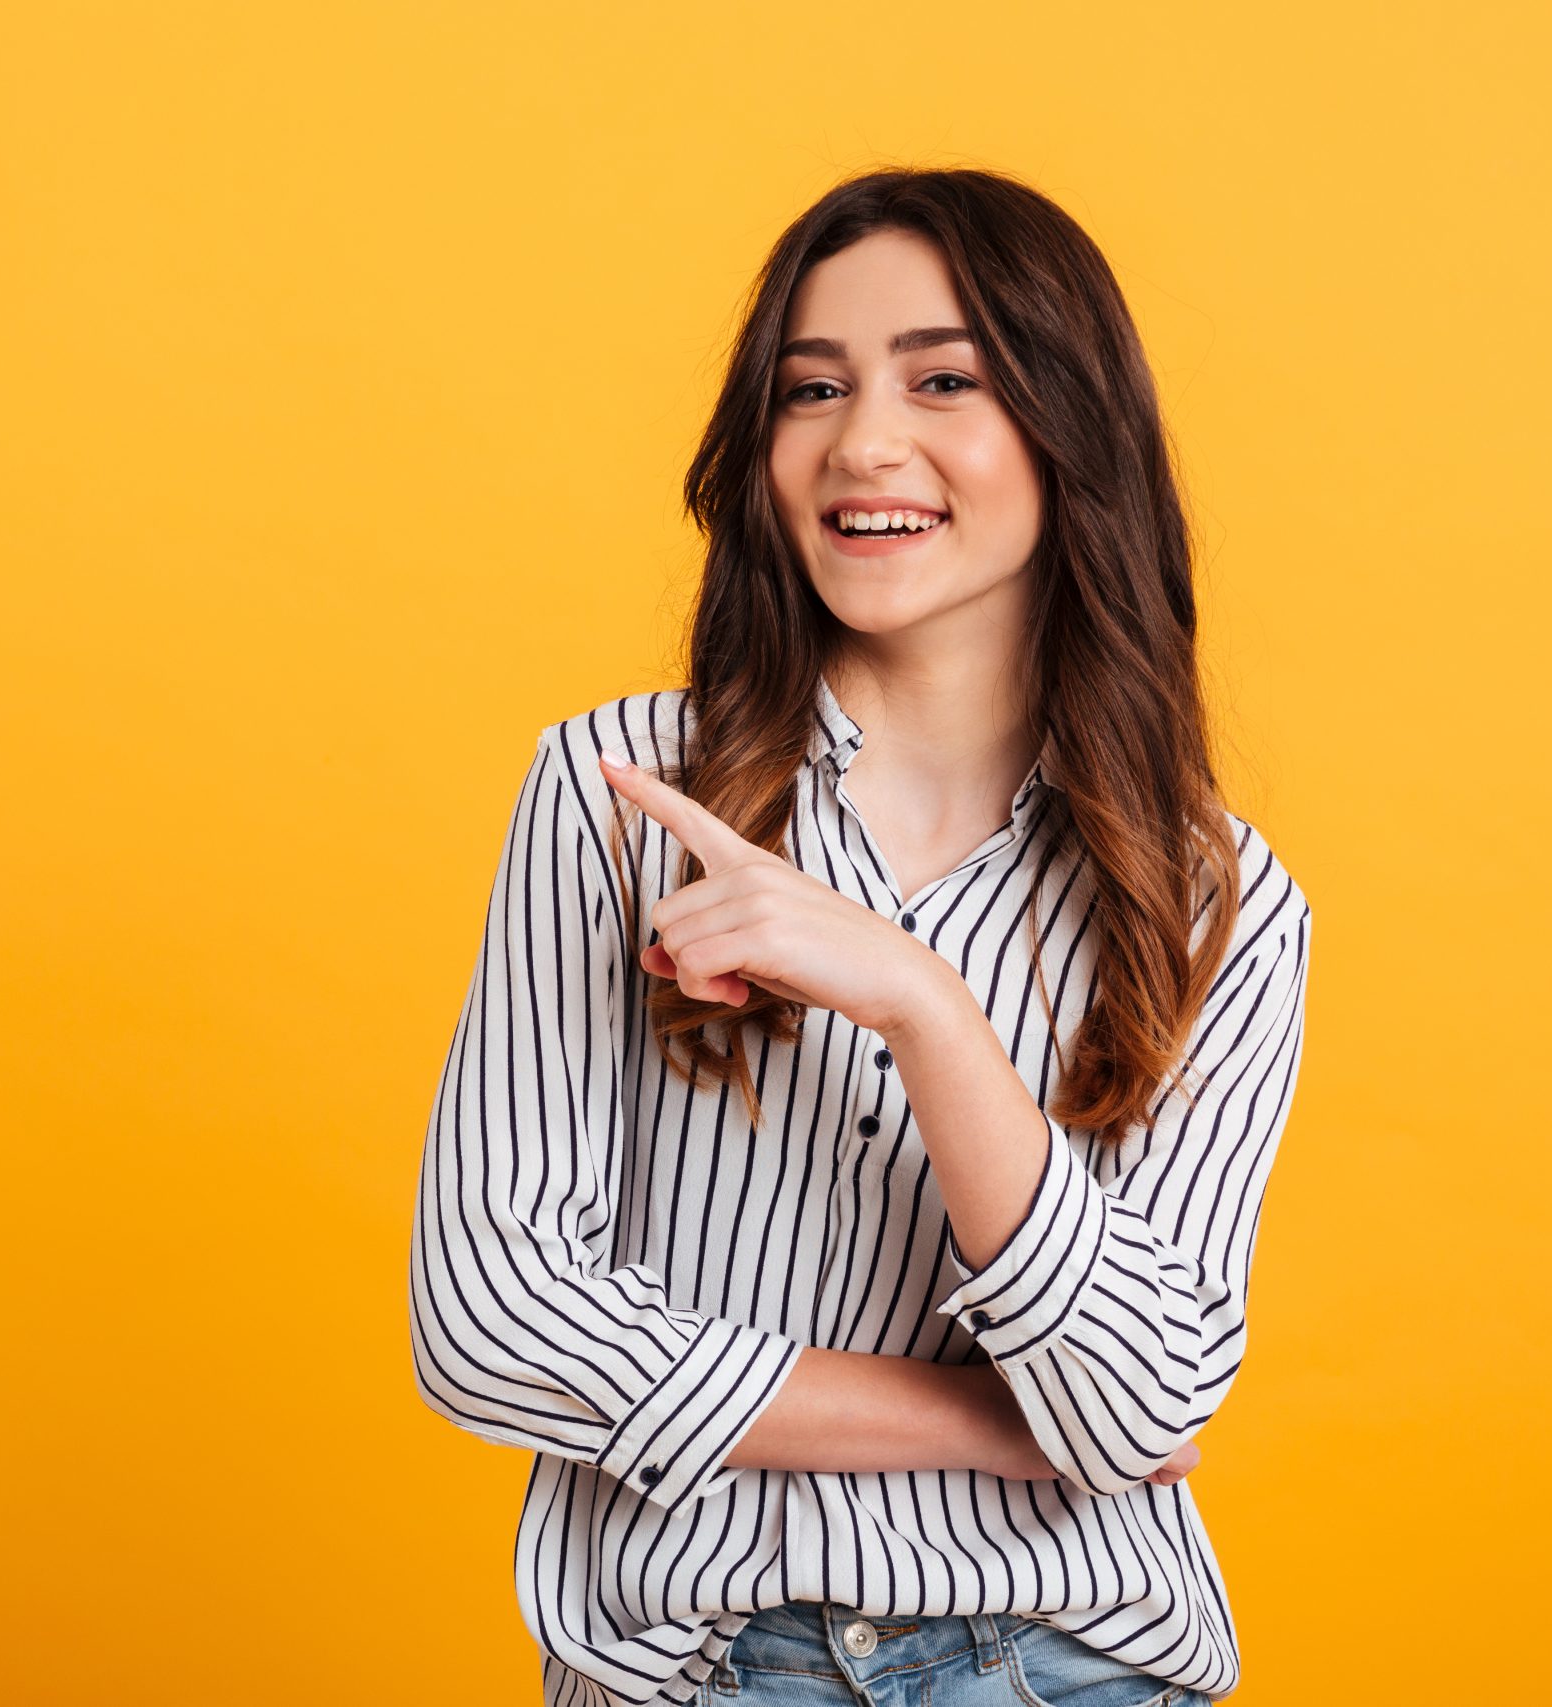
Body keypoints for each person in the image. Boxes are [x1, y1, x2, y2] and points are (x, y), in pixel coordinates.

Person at [408, 167, 1313, 1707]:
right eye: (810, 388)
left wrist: (921, 1007)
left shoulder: (1218, 897)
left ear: (1071, 432)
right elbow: (490, 1324)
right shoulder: (625, 798)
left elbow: (1148, 1387)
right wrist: (986, 1424)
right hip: (696, 1667)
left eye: (943, 379)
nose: (861, 443)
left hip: (1074, 1670)